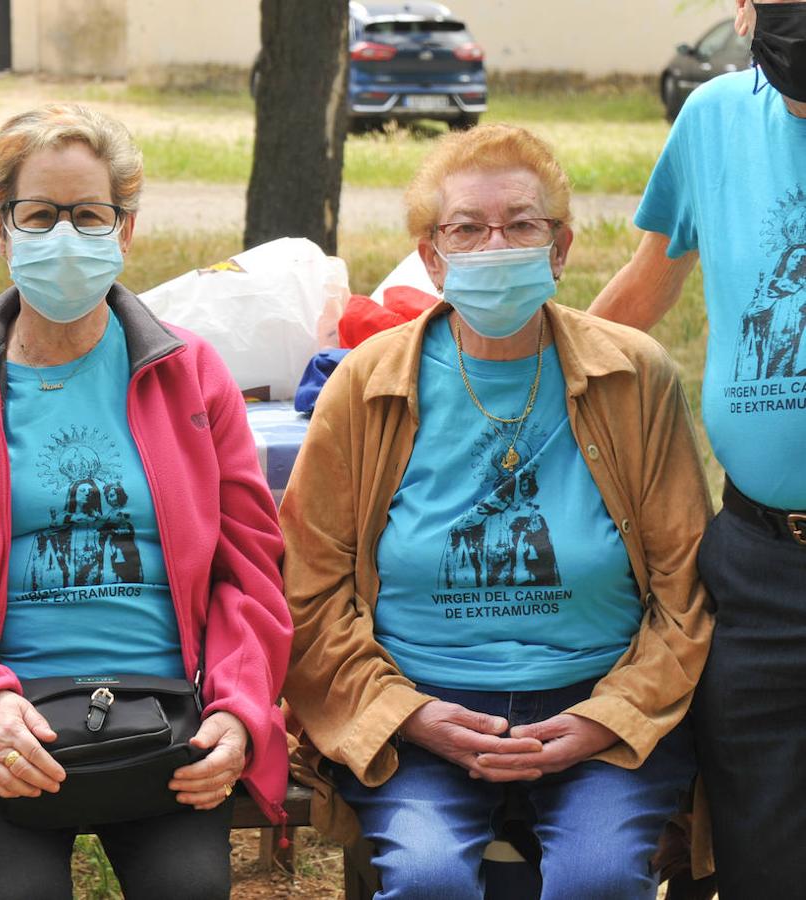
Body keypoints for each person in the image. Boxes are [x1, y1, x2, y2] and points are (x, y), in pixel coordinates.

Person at [0, 103, 292, 900]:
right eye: (39, 214)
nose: (64, 235)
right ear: (0, 229)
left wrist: (235, 712)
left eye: (89, 214)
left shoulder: (193, 377)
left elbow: (250, 572)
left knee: (187, 891)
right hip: (4, 716)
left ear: (124, 231)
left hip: (169, 717)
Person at [282, 125, 714, 898]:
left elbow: (684, 592)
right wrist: (406, 714)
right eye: (466, 228)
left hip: (598, 712)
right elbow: (308, 590)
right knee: (422, 880)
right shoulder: (365, 384)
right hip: (418, 712)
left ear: (560, 247)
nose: (495, 244)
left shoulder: (633, 376)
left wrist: (603, 718)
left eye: (521, 224)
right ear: (430, 253)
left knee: (597, 880)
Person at [589, 2, 806, 893]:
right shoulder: (714, 117)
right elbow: (645, 288)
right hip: (758, 565)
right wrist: (497, 370)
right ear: (745, 10)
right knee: (761, 851)